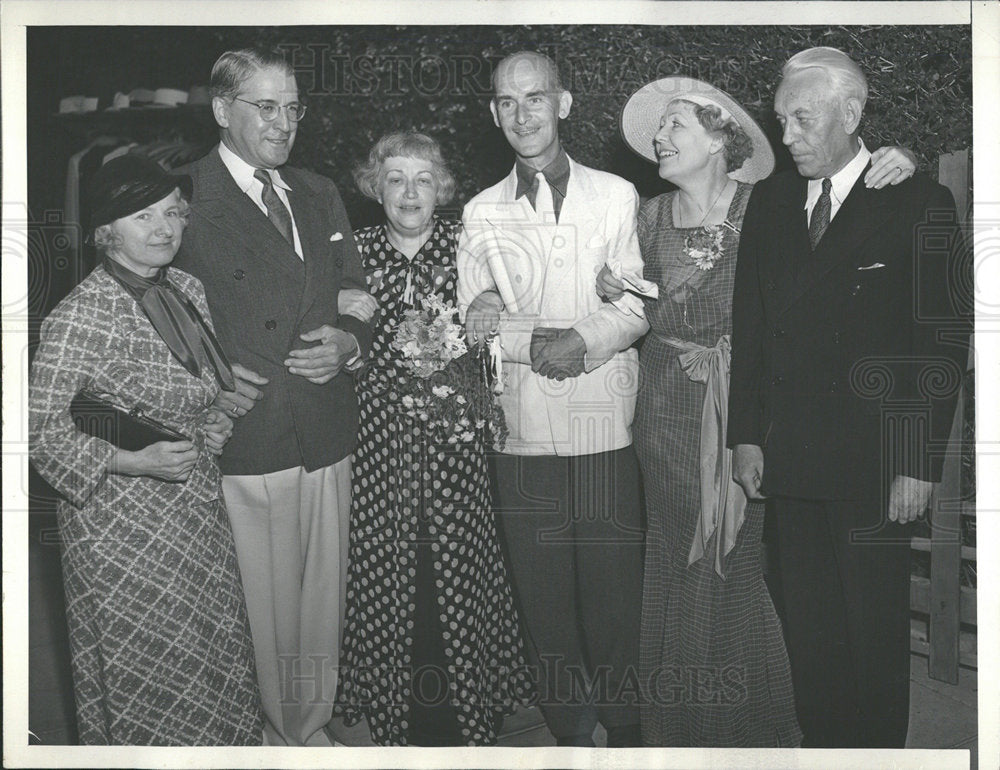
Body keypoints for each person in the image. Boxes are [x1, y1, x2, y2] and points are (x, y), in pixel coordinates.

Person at [603, 77, 917, 747]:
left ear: (720, 138)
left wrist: (904, 157)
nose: (660, 138)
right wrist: (611, 289)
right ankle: (680, 729)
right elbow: (627, 305)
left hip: (746, 412)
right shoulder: (645, 217)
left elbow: (846, 211)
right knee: (676, 561)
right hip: (664, 414)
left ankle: (750, 728)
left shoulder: (768, 204)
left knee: (738, 562)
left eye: (676, 125)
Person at [728, 47, 970, 748]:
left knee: (872, 635)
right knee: (810, 635)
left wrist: (918, 463)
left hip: (874, 466)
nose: (787, 136)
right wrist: (746, 434)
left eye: (803, 119)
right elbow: (751, 326)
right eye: (782, 120)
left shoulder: (918, 201)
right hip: (790, 456)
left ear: (853, 113)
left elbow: (939, 346)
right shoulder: (772, 201)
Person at [172, 47, 374, 747]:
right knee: (262, 605)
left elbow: (355, 288)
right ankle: (274, 737)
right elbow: (143, 299)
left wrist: (349, 342)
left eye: (293, 108)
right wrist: (206, 370)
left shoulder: (317, 191)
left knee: (321, 603)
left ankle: (306, 729)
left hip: (326, 424)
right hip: (250, 432)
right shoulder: (183, 194)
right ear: (221, 110)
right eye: (265, 106)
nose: (283, 122)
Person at [29, 154, 261, 745]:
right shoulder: (81, 316)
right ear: (107, 232)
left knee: (213, 648)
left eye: (172, 213)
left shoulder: (186, 288)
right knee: (150, 668)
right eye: (143, 216)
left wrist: (214, 421)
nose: (164, 229)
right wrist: (131, 460)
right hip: (120, 527)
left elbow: (200, 386)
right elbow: (35, 428)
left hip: (196, 512)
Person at [457, 51, 647, 747]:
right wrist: (529, 339)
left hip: (603, 426)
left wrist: (584, 339)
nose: (522, 114)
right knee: (544, 603)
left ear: (562, 104)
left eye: (535, 98)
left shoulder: (616, 195)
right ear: (494, 113)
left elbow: (635, 305)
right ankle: (570, 732)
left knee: (614, 595)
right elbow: (470, 327)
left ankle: (626, 731)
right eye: (507, 102)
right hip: (524, 432)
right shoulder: (480, 211)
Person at [334, 131, 533, 746]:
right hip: (380, 442)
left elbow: (518, 296)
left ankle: (469, 706)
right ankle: (393, 709)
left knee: (459, 560)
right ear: (376, 187)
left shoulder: (467, 243)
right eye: (395, 179)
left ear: (441, 188)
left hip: (456, 441)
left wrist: (493, 295)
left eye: (423, 179)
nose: (409, 192)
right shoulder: (353, 252)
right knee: (387, 562)